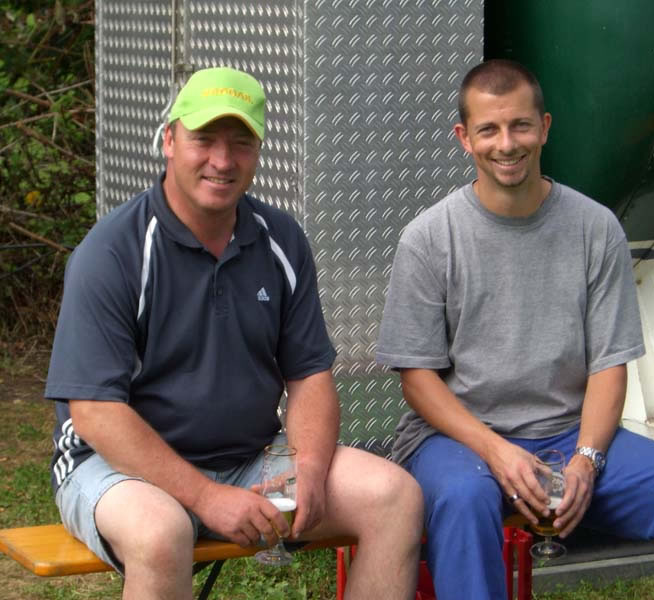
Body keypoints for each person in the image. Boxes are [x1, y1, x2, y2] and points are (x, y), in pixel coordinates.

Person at [46, 66, 423, 600]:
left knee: (394, 495)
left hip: (249, 458)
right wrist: (206, 497)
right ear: (170, 140)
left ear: (258, 152)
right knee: (160, 534)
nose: (222, 161)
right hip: (119, 470)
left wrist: (309, 466)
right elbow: (94, 412)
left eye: (240, 143)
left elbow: (309, 375)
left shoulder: (281, 239)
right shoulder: (112, 251)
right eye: (204, 140)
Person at [376, 59, 654, 600]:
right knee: (464, 498)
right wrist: (496, 451)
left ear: (544, 127)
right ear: (464, 138)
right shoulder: (429, 237)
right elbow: (417, 379)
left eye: (520, 125)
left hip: (569, 434)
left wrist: (587, 461)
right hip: (460, 439)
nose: (507, 144)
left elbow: (609, 365)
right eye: (489, 129)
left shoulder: (595, 228)